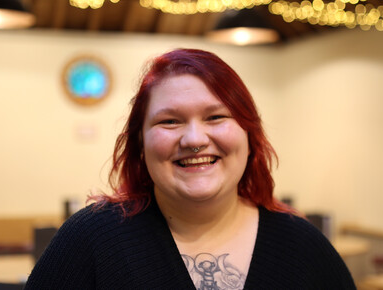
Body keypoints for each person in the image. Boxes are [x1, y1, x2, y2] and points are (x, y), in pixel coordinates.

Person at [24, 48, 355, 289]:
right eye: (170, 121)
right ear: (140, 142)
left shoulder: (304, 247)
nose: (195, 139)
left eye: (215, 117)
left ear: (248, 134)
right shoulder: (90, 241)